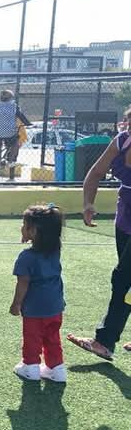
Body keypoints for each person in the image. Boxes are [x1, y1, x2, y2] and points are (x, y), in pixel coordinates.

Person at [70, 109, 131, 360]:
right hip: (125, 216)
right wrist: (88, 203)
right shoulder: (121, 141)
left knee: (123, 277)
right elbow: (95, 173)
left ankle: (104, 341)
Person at [11, 204, 66, 382]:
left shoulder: (26, 257)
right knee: (52, 337)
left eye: (24, 225)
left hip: (35, 309)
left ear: (33, 231)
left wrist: (16, 304)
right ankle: (56, 368)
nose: (22, 228)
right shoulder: (55, 250)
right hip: (56, 306)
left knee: (32, 338)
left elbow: (23, 283)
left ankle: (30, 367)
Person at [0, 89, 31, 169]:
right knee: (15, 143)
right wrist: (28, 123)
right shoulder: (14, 106)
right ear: (11, 98)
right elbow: (21, 116)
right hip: (10, 133)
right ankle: (10, 160)